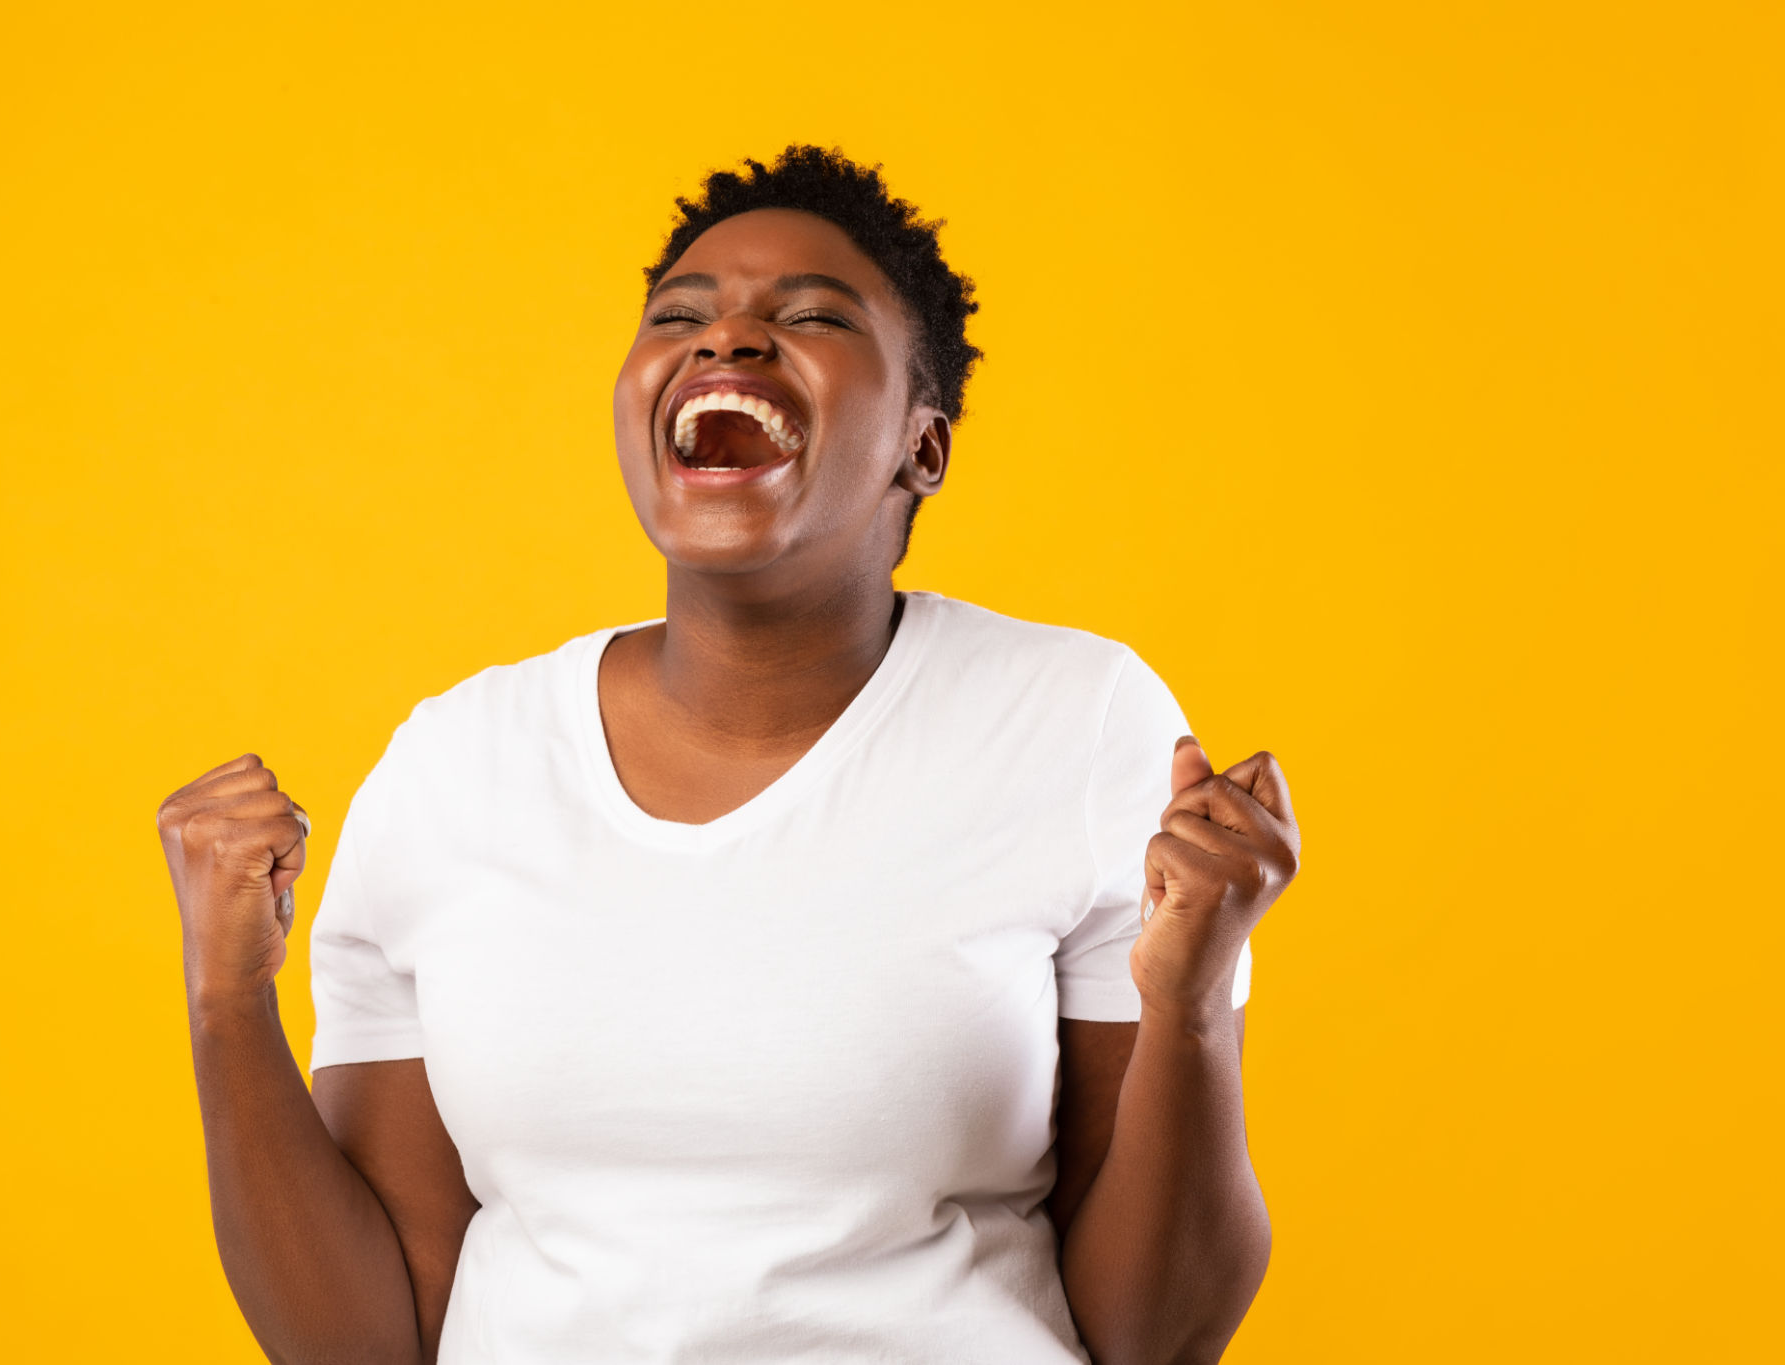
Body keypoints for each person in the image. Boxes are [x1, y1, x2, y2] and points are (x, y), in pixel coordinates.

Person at [157, 144, 1302, 1365]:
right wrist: (227, 1002)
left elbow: (1153, 1339)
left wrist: (1186, 1007)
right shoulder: (454, 766)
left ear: (922, 448)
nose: (728, 341)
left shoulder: (1073, 720)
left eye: (809, 315)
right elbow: (369, 1346)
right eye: (680, 318)